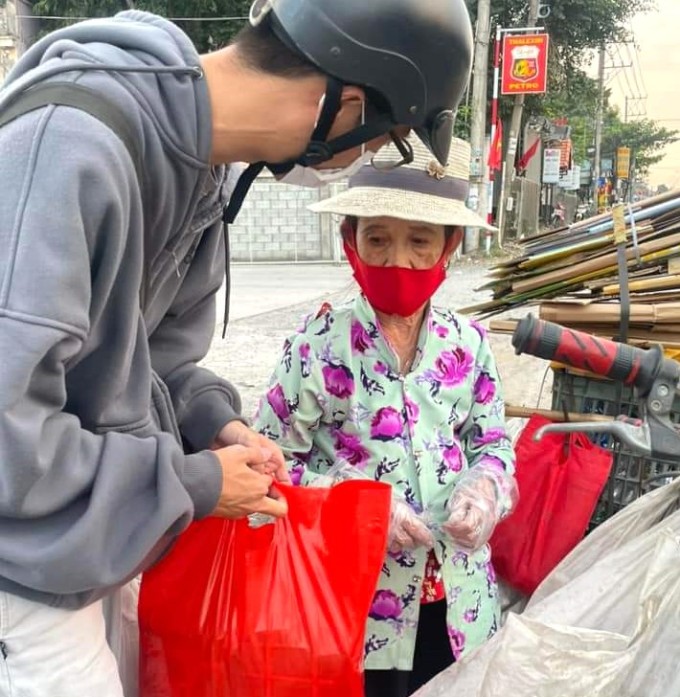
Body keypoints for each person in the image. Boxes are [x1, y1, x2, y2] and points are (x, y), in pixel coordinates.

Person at [0, 0, 474, 694]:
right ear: (343, 106)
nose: (360, 163)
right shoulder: (69, 146)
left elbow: (156, 363)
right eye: (377, 143)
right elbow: (11, 444)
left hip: (97, 541)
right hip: (23, 564)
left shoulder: (201, 174)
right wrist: (196, 482)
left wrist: (214, 423)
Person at [254, 135, 517, 697]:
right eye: (377, 239)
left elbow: (493, 442)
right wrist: (356, 505)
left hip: (458, 603)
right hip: (351, 609)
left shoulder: (468, 343)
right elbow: (268, 463)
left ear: (449, 247)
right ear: (351, 242)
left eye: (420, 241)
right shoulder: (316, 346)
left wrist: (486, 487)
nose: (398, 260)